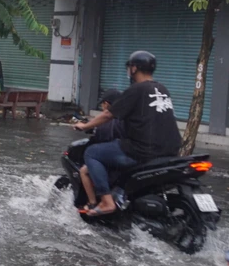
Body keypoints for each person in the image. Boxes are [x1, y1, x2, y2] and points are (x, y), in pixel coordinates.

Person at [74, 51, 182, 217]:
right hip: (171, 151)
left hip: (142, 151)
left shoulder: (136, 90)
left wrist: (85, 125)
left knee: (92, 153)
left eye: (130, 67)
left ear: (134, 68)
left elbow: (108, 115)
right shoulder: (162, 89)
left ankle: (106, 201)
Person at [77, 88, 124, 209]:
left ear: (106, 104)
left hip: (116, 159)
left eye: (102, 105)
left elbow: (99, 141)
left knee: (84, 171)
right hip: (131, 155)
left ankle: (93, 203)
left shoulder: (108, 122)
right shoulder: (125, 117)